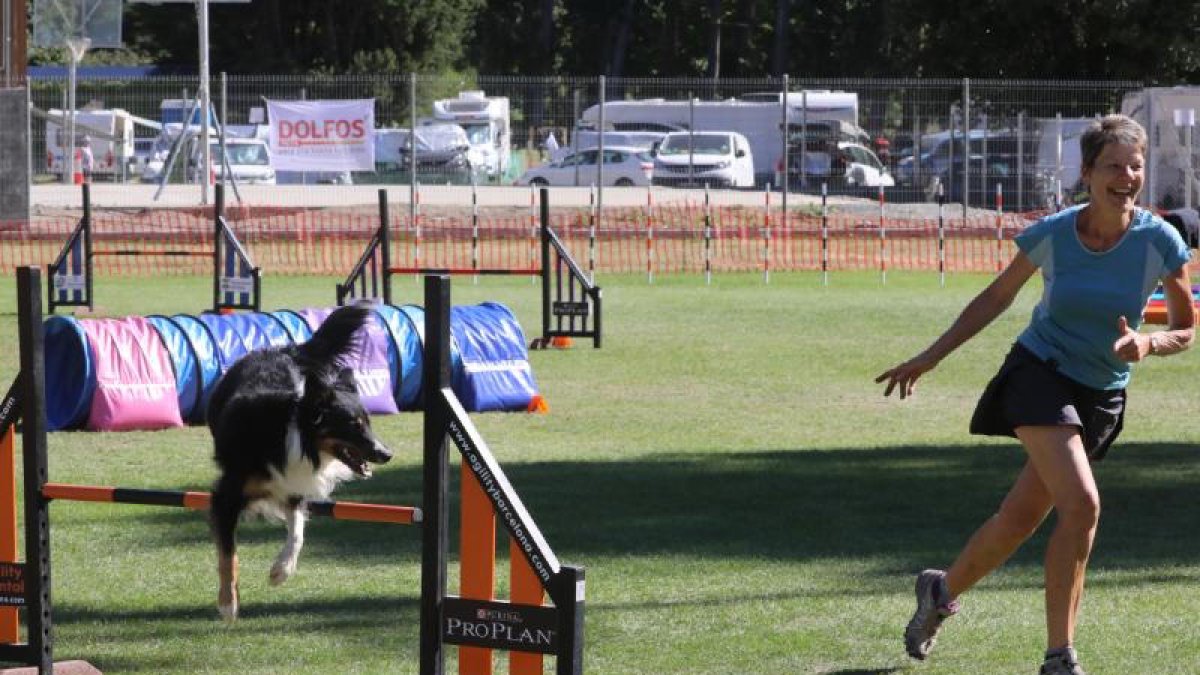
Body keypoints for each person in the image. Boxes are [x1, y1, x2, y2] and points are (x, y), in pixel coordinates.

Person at [875, 114, 1194, 675]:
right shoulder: (1054, 233)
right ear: (1087, 172)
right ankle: (1059, 657)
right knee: (1083, 505)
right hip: (1040, 371)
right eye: (1113, 166)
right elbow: (995, 298)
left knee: (1019, 518)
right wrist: (931, 356)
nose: (1126, 177)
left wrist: (1149, 343)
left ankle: (939, 591)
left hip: (1102, 393)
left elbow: (1186, 327)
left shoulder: (1160, 240)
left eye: (1136, 166)